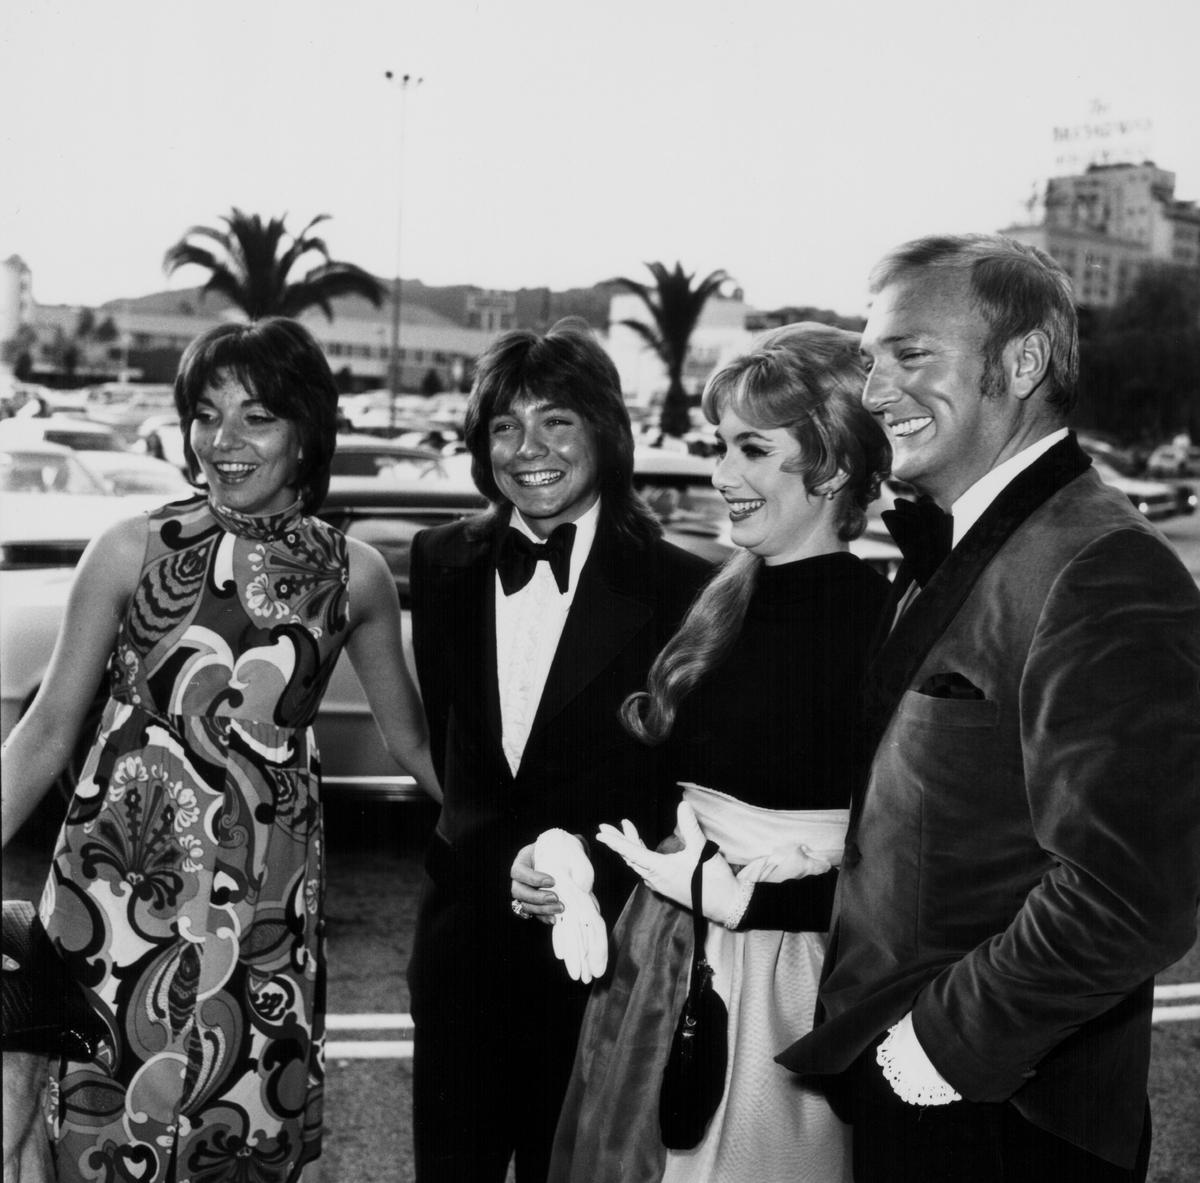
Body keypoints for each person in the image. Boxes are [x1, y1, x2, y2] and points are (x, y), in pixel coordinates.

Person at [780, 235, 1200, 1183]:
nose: (874, 387)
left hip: (1004, 1119)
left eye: (910, 354)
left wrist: (930, 1052)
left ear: (1023, 363)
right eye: (868, 356)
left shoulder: (1102, 565)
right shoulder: (979, 539)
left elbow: (1131, 892)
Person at [0, 317, 441, 1183]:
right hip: (115, 903)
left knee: (240, 1133)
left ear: (308, 430)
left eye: (257, 416)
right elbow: (47, 730)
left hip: (264, 914)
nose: (223, 441)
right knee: (99, 1136)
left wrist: (524, 834)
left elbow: (413, 740)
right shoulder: (130, 549)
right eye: (207, 413)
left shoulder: (357, 576)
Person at [517, 322, 891, 1183]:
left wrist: (752, 903)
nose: (722, 475)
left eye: (752, 449)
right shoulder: (717, 604)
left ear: (831, 466)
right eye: (720, 446)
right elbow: (652, 792)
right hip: (662, 960)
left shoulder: (891, 631)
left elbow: (916, 864)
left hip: (791, 987)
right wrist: (568, 857)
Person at [406, 318, 711, 1182]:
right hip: (461, 958)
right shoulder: (444, 561)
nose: (526, 448)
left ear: (605, 433)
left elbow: (678, 799)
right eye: (504, 426)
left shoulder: (682, 588)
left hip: (600, 969)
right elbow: (465, 760)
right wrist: (491, 856)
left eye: (555, 421)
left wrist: (585, 871)